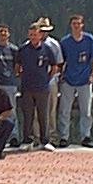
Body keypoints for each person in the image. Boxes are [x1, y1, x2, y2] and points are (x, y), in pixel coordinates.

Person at [58, 14, 93, 148]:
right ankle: (64, 137)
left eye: (78, 23)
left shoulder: (89, 40)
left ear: (82, 25)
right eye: (74, 23)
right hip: (68, 80)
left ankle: (86, 136)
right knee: (64, 110)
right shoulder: (65, 42)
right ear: (71, 25)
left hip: (84, 81)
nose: (76, 26)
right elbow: (60, 61)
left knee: (86, 111)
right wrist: (61, 75)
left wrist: (92, 75)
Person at [16, 24, 58, 151]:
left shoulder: (47, 49)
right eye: (31, 35)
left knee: (43, 115)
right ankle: (27, 140)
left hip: (43, 88)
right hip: (27, 88)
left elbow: (54, 66)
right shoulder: (23, 49)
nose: (33, 37)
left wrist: (47, 79)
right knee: (28, 116)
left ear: (40, 35)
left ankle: (45, 141)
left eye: (35, 34)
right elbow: (17, 66)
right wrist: (22, 77)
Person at [34, 17, 64, 146]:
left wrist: (50, 77)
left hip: (50, 82)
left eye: (45, 30)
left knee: (51, 110)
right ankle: (37, 137)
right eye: (41, 30)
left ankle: (52, 137)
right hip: (35, 83)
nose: (43, 32)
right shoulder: (31, 44)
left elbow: (59, 64)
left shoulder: (54, 44)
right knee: (36, 111)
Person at [0, 23, 20, 146]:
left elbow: (17, 67)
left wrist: (12, 76)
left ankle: (14, 136)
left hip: (10, 84)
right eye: (0, 31)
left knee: (11, 110)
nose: (3, 33)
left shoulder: (14, 49)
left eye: (5, 31)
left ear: (9, 34)